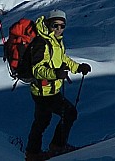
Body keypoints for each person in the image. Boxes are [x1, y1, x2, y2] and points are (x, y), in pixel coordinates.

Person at [24, 9, 92, 161]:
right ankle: (57, 146)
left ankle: (33, 153)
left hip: (49, 89)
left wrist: (78, 67)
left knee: (42, 121)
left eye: (62, 26)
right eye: (56, 25)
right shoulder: (41, 42)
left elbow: (62, 59)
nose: (59, 29)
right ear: (48, 24)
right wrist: (55, 73)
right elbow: (37, 69)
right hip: (44, 91)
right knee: (69, 113)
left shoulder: (56, 40)